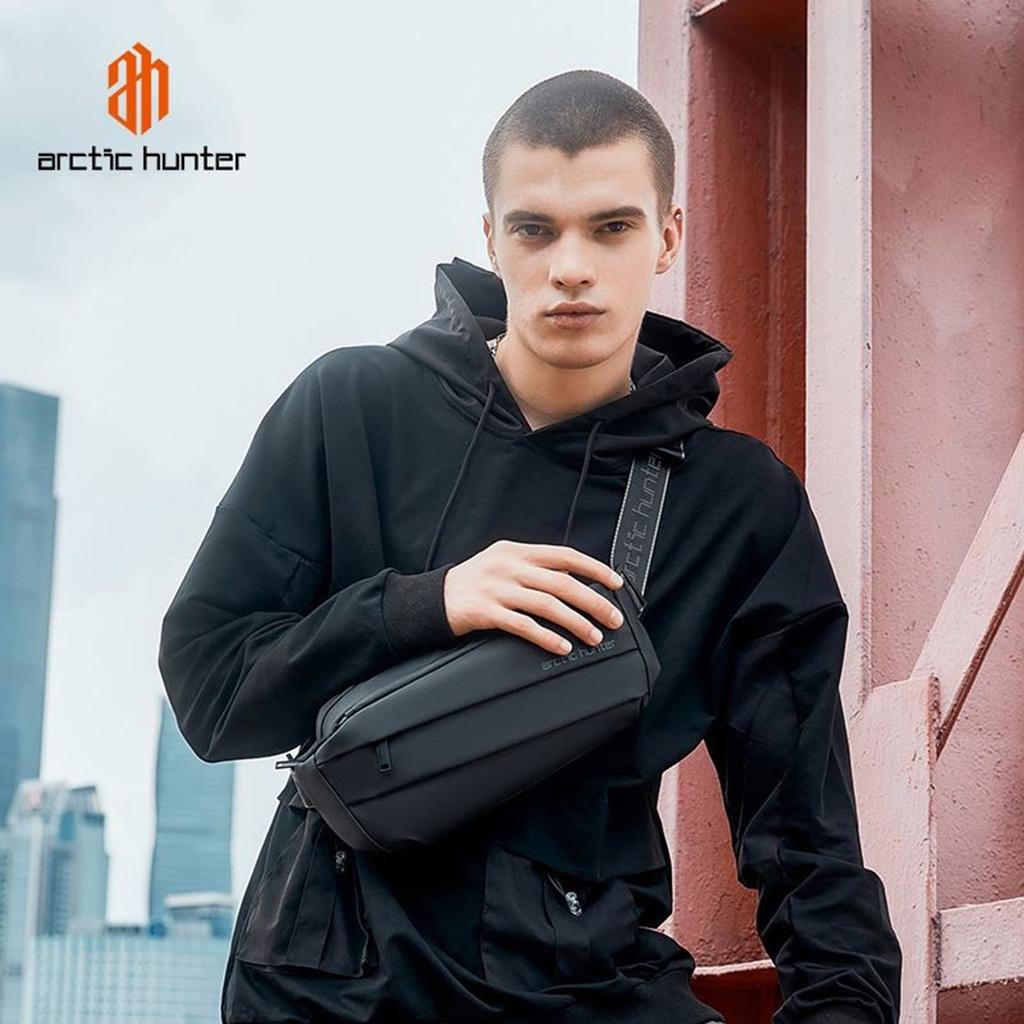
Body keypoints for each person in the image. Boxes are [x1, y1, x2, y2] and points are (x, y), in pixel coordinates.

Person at [158, 69, 902, 1024]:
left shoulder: (737, 505)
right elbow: (211, 690)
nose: (571, 267)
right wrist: (425, 604)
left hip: (584, 987)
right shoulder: (352, 408)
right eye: (536, 230)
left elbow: (808, 841)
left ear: (667, 235)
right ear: (491, 238)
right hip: (330, 986)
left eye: (612, 227)